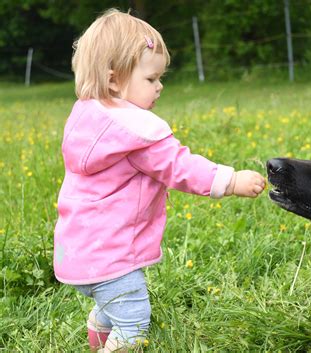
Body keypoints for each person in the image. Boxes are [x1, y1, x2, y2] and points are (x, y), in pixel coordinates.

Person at [53, 8, 266, 352]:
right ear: (113, 81)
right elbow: (180, 167)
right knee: (134, 322)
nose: (160, 86)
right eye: (151, 79)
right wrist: (231, 180)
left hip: (76, 254)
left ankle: (100, 331)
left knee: (111, 309)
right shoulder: (136, 133)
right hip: (113, 259)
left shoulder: (87, 118)